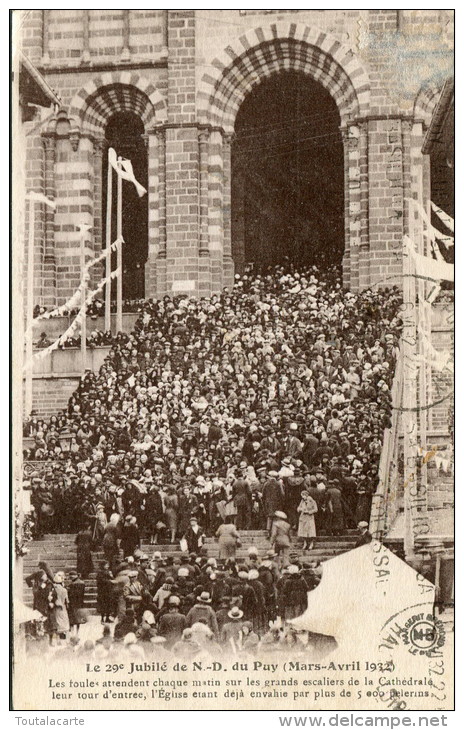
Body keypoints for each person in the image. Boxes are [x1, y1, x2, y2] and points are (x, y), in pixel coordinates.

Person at [67, 570, 86, 635]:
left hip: (72, 604)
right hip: (80, 603)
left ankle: (72, 633)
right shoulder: (82, 583)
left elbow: (71, 595)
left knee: (72, 620)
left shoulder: (72, 585)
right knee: (78, 620)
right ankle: (77, 633)